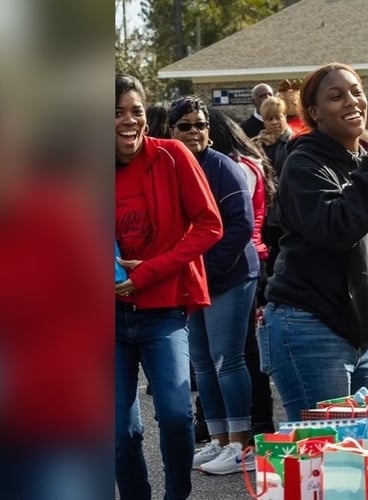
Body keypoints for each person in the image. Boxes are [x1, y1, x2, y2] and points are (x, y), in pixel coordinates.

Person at [259, 62, 368, 421]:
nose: (352, 101)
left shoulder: (359, 158)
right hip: (310, 325)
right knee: (325, 455)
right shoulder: (303, 163)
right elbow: (338, 227)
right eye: (336, 96)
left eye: (356, 91)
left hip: (360, 333)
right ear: (314, 113)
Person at [115, 75, 223, 500]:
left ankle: (177, 495)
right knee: (119, 431)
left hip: (163, 310)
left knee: (178, 415)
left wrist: (148, 271)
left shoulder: (174, 155)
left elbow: (210, 225)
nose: (128, 120)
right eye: (117, 112)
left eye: (136, 111)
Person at [168, 96, 260, 475]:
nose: (194, 131)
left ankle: (242, 444)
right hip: (194, 279)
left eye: (201, 124)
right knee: (203, 364)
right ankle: (219, 439)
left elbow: (240, 225)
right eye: (185, 125)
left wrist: (207, 273)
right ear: (170, 130)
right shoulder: (171, 166)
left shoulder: (222, 167)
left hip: (230, 276)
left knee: (228, 360)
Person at [206, 107, 278, 440]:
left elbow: (240, 222)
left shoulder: (236, 168)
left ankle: (255, 426)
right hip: (245, 258)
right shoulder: (246, 163)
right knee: (240, 352)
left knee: (242, 353)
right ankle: (243, 429)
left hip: (245, 261)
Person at [251, 96, 293, 169]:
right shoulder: (256, 144)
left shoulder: (294, 141)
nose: (274, 122)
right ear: (263, 121)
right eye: (270, 119)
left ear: (285, 116)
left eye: (278, 118)